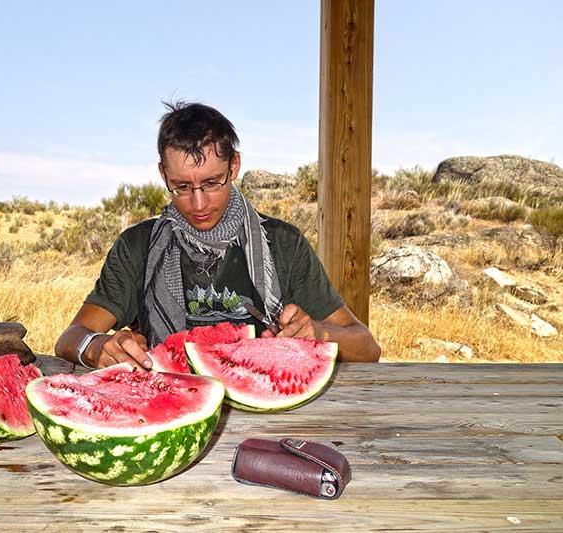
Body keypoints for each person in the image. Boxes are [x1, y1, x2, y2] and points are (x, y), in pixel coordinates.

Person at [55, 101, 381, 370]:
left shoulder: (284, 243)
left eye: (212, 183)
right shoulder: (136, 246)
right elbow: (70, 337)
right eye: (181, 186)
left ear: (234, 166)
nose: (198, 203)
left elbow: (367, 346)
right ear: (162, 174)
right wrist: (95, 346)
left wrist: (318, 333)